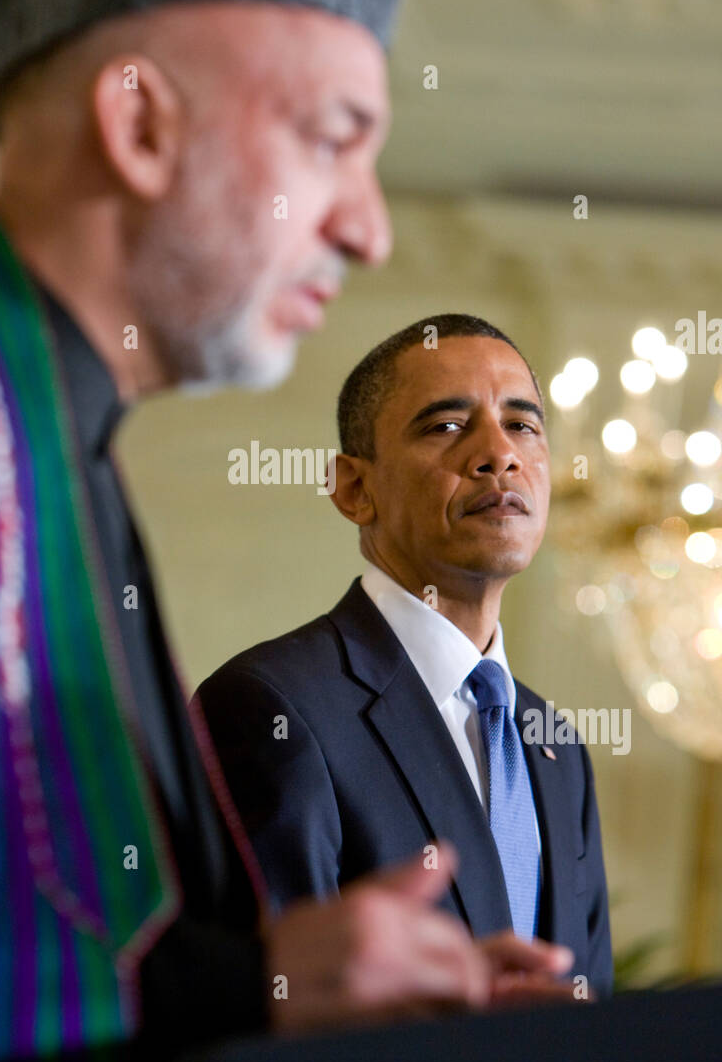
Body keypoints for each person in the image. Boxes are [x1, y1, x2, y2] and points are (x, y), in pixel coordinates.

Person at [0, 0, 571, 1062]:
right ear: (138, 123)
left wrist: (285, 997)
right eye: (335, 138)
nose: (368, 226)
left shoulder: (53, 459)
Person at [198, 316, 614, 997]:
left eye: (522, 425)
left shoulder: (556, 743)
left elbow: (595, 1024)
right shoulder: (272, 706)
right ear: (355, 489)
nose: (498, 455)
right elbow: (267, 1027)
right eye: (446, 426)